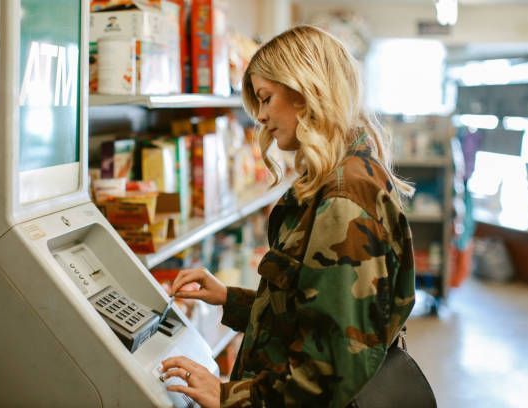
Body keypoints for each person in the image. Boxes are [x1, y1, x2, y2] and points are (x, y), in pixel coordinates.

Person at [160, 25, 416, 408]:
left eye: (266, 98)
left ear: (306, 91)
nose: (260, 116)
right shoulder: (342, 176)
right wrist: (230, 299)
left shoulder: (344, 199)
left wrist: (231, 397)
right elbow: (313, 314)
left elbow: (333, 365)